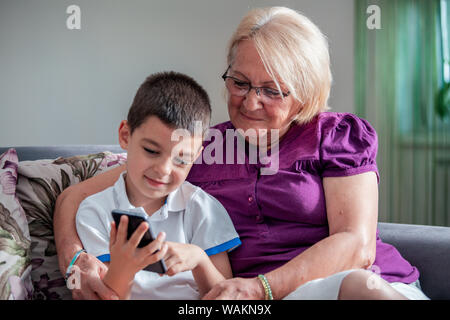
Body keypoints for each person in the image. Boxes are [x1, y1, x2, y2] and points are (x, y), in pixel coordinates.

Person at [54, 7, 429, 300]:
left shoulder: (335, 134)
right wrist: (75, 261)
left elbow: (356, 245)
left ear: (304, 93)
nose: (250, 101)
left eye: (272, 90)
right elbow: (74, 197)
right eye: (240, 83)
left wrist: (260, 288)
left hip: (357, 286)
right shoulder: (197, 146)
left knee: (361, 288)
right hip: (248, 299)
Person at [73, 71, 241, 299]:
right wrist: (124, 268)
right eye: (151, 151)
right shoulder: (95, 211)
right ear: (125, 135)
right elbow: (105, 295)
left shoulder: (202, 208)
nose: (164, 169)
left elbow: (228, 297)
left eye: (182, 160)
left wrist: (199, 259)